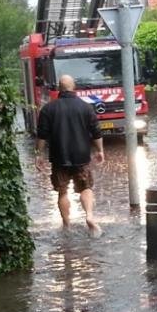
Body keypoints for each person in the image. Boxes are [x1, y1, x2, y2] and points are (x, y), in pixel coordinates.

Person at [35, 74, 104, 237]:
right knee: (86, 187)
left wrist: (39, 155)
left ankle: (66, 225)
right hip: (82, 156)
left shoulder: (48, 109)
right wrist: (100, 150)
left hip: (59, 156)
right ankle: (89, 216)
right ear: (74, 88)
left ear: (59, 88)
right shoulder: (86, 107)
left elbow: (42, 135)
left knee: (62, 191)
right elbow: (96, 132)